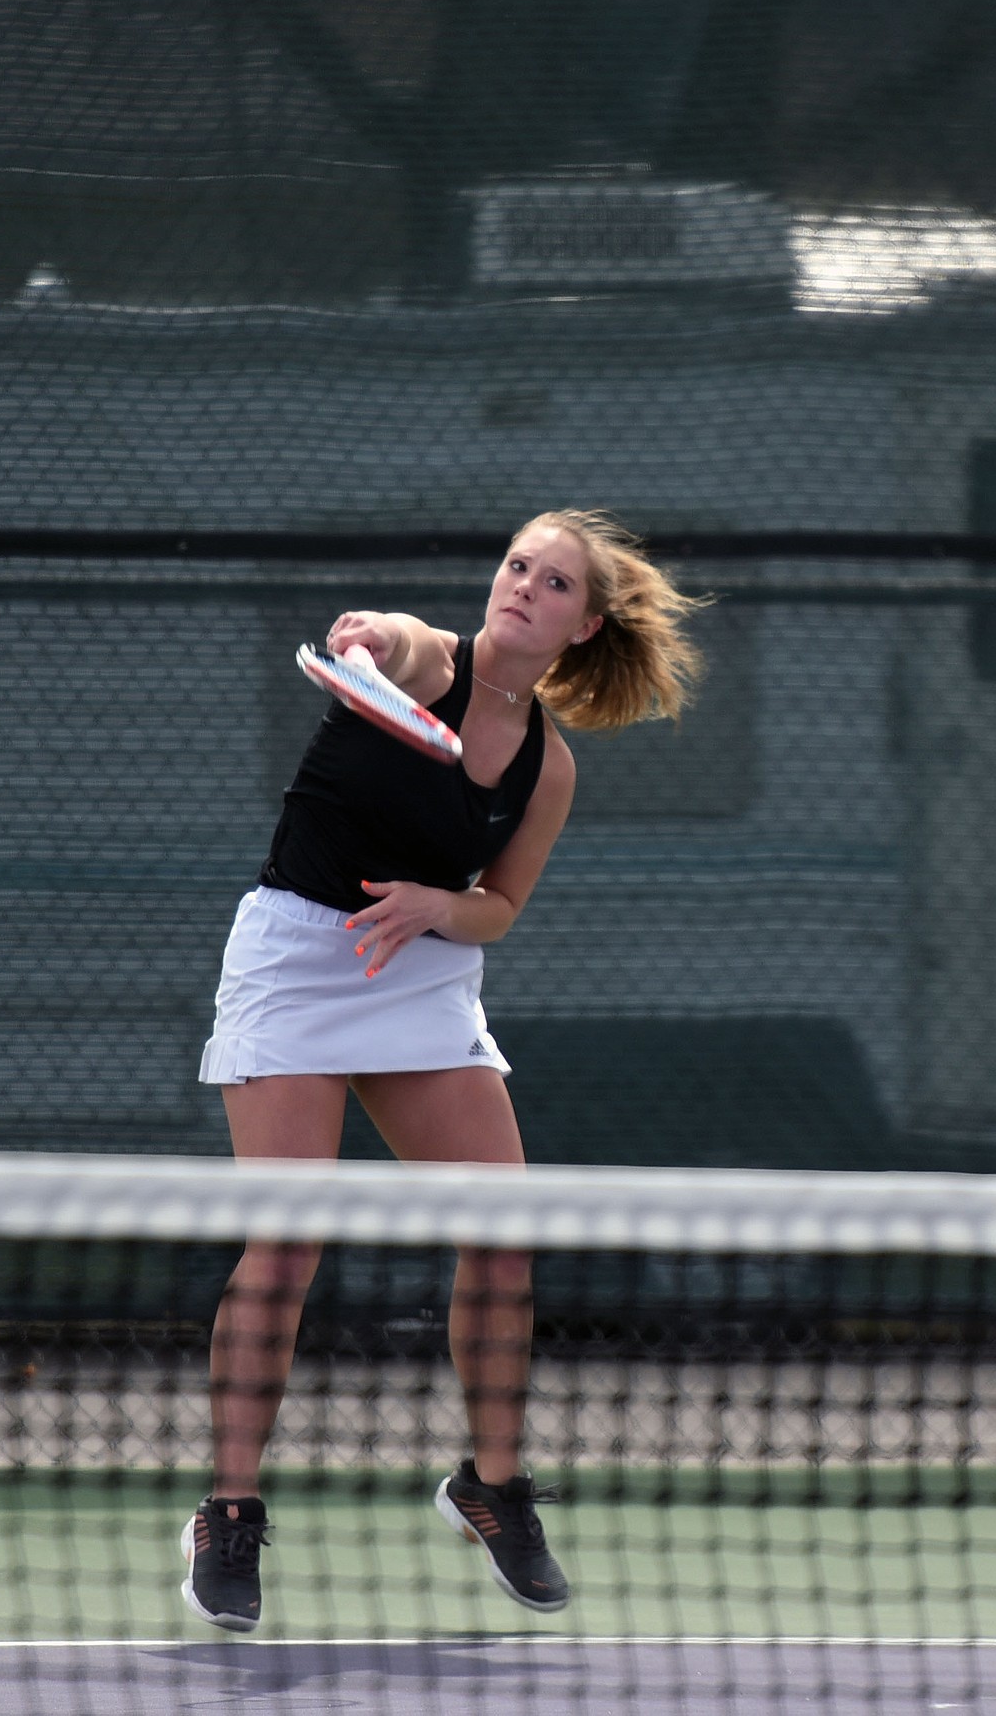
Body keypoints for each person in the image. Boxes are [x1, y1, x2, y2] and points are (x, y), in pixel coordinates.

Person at [181, 507, 707, 1632]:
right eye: (518, 565)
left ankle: (491, 1485)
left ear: (584, 622)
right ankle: (227, 1509)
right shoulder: (431, 656)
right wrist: (363, 642)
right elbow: (382, 636)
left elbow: (500, 907)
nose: (522, 587)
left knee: (501, 1235)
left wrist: (436, 906)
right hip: (297, 953)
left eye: (553, 581)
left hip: (418, 967)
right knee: (285, 1247)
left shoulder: (548, 766)